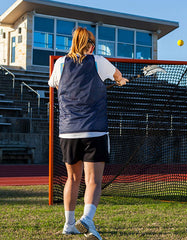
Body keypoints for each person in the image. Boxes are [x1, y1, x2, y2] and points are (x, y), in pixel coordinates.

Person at [48, 27, 128, 240]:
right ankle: (87, 219)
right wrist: (121, 81)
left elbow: (56, 85)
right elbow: (118, 77)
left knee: (72, 178)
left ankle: (69, 224)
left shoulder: (60, 63)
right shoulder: (99, 61)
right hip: (94, 130)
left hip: (68, 131)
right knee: (93, 180)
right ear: (91, 45)